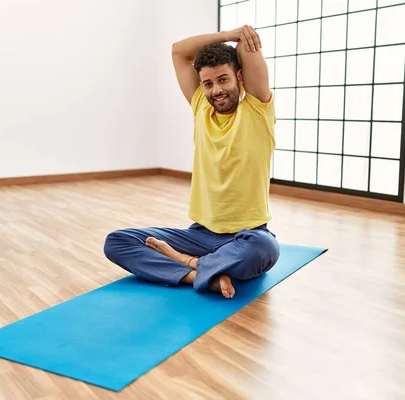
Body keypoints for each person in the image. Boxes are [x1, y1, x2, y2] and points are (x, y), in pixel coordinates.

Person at [103, 25, 280, 299]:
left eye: (223, 80)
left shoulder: (257, 109)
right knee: (117, 241)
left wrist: (239, 37)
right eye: (208, 84)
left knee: (264, 249)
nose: (216, 90)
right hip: (199, 236)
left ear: (240, 78)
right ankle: (201, 277)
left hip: (246, 236)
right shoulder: (201, 107)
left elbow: (248, 47)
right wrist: (227, 35)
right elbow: (179, 51)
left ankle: (188, 263)